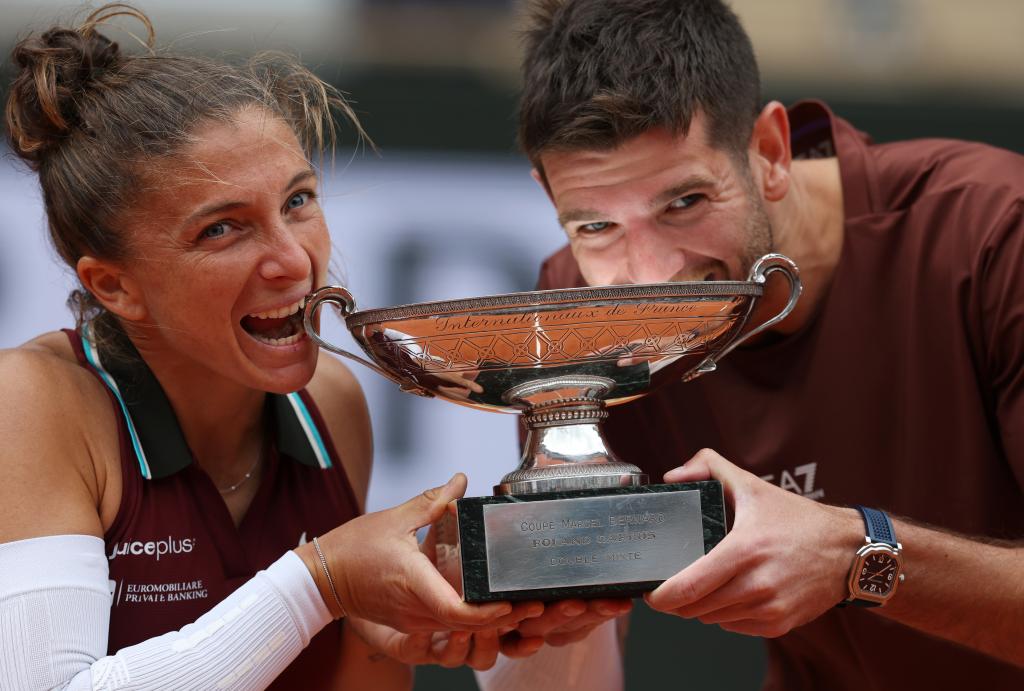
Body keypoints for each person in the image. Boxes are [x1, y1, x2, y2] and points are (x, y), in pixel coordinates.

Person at [0, 5, 547, 689]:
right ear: (115, 286)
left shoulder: (331, 401)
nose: (294, 261)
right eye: (222, 229)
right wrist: (321, 583)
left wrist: (387, 630)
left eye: (297, 202)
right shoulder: (29, 402)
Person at [514, 0, 1024, 688]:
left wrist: (859, 554)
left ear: (770, 152)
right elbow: (570, 637)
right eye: (596, 227)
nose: (653, 276)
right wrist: (507, 599)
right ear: (549, 197)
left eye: (685, 203)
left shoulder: (994, 233)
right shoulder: (576, 315)